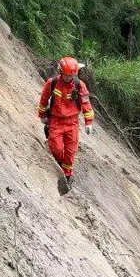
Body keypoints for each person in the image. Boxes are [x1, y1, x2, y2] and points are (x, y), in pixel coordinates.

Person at [36, 57, 95, 187]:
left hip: (72, 123)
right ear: (61, 72)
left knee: (70, 151)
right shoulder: (52, 83)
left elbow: (86, 103)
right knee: (56, 148)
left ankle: (67, 175)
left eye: (72, 75)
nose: (69, 78)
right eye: (67, 75)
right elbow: (44, 99)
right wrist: (42, 115)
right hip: (56, 121)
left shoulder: (80, 85)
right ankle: (59, 163)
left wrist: (88, 122)